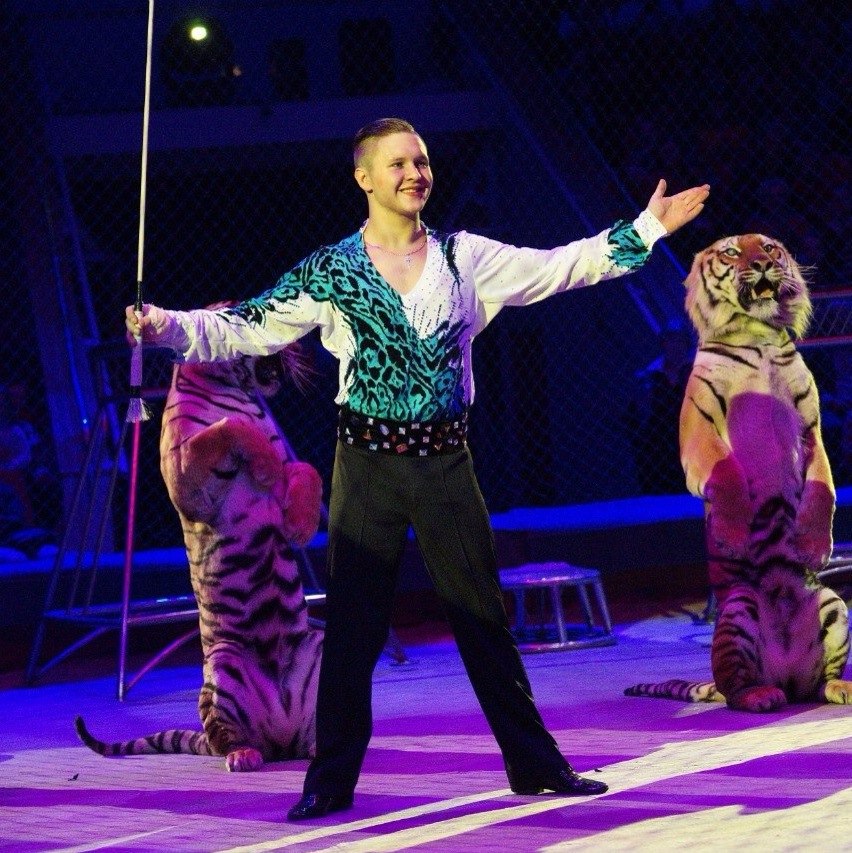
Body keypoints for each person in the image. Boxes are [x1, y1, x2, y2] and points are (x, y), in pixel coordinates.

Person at [126, 117, 709, 821]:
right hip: (367, 464)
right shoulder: (332, 270)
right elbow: (248, 325)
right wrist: (166, 325)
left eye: (423, 161)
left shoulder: (466, 257)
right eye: (398, 163)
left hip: (443, 462)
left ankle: (536, 763)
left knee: (482, 618)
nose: (415, 173)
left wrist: (648, 227)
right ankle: (329, 781)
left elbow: (563, 265)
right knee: (353, 630)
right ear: (364, 178)